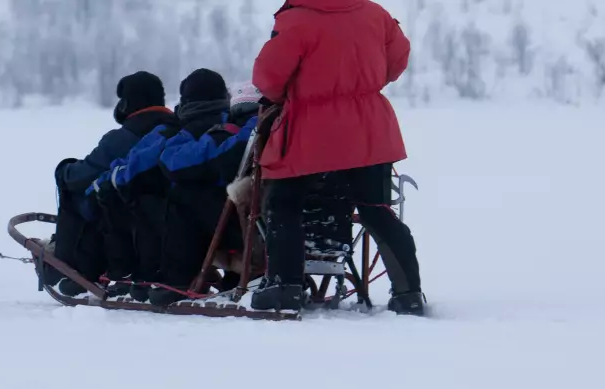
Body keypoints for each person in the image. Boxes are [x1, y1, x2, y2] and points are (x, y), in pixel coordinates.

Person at [249, 0, 425, 315]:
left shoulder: (297, 19)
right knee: (377, 210)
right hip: (370, 127)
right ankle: (409, 293)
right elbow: (398, 57)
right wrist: (362, 87)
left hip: (309, 129)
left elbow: (269, 77)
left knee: (283, 204)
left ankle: (284, 286)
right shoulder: (375, 13)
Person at [47, 72, 178, 297]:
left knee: (80, 194)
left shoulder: (125, 136)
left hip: (130, 215)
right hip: (171, 214)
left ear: (128, 102)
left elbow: (84, 174)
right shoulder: (176, 128)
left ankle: (75, 267)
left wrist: (63, 170)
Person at [147, 81, 263, 306]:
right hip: (284, 217)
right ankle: (234, 276)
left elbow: (223, 163)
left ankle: (178, 279)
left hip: (255, 225)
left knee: (184, 197)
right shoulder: (289, 122)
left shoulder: (252, 127)